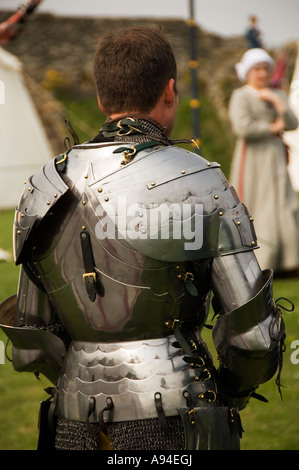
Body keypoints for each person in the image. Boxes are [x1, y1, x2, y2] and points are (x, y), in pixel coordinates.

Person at [0, 27, 286, 451]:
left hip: (73, 413)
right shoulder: (198, 180)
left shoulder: (44, 185)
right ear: (170, 91)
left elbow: (29, 341)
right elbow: (254, 338)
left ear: (101, 99)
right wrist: (232, 393)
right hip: (180, 406)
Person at [229, 48, 299, 276]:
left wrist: (278, 105)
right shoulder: (241, 95)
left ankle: (288, 261)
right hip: (253, 159)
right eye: (257, 69)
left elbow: (291, 122)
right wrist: (271, 127)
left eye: (265, 69)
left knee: (283, 203)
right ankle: (260, 260)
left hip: (276, 158)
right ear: (248, 72)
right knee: (258, 204)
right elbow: (242, 127)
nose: (261, 74)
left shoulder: (276, 94)